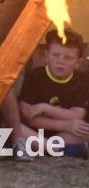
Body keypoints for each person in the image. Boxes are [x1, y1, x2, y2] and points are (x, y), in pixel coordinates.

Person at [18, 29, 89, 158]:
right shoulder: (34, 77)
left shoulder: (81, 80)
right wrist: (66, 124)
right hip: (37, 132)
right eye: (56, 55)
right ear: (46, 56)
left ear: (78, 63)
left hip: (66, 133)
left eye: (68, 58)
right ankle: (54, 148)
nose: (61, 61)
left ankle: (52, 149)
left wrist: (44, 108)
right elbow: (28, 116)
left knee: (84, 130)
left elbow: (77, 115)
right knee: (14, 126)